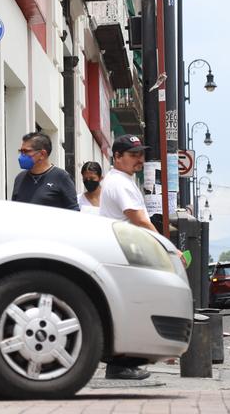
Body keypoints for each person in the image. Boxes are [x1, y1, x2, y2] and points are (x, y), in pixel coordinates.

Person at [98, 134, 155, 380]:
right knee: (131, 307)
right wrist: (165, 245)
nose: (139, 159)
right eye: (133, 155)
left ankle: (122, 363)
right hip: (121, 252)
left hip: (120, 251)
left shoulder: (122, 180)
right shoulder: (120, 183)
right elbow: (139, 219)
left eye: (140, 154)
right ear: (117, 157)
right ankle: (120, 365)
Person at [11, 132, 78, 211]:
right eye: (21, 152)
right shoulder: (20, 178)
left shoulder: (61, 177)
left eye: (26, 151)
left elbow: (73, 210)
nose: (22, 156)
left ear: (42, 154)